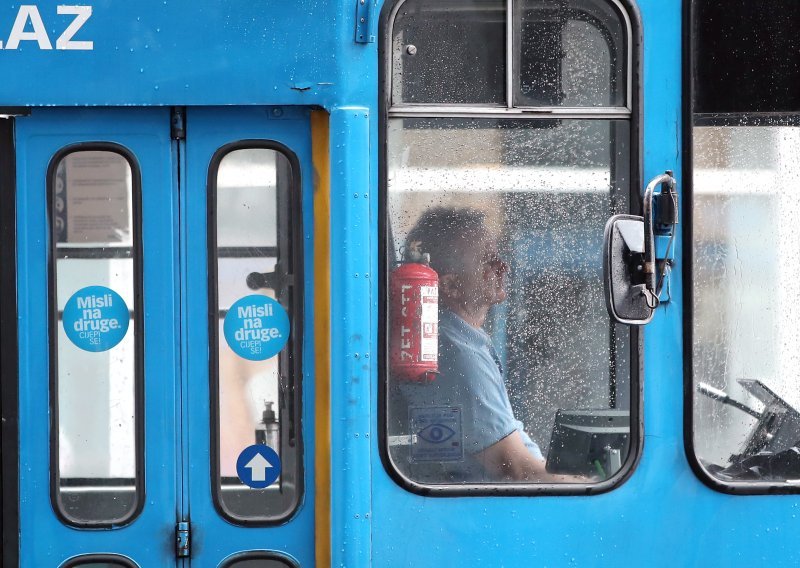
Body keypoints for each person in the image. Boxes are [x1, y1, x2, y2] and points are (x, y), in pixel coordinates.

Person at [395, 207, 579, 483]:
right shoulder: (457, 354)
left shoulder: (462, 340)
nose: (502, 267)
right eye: (488, 261)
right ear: (452, 286)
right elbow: (518, 470)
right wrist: (596, 487)